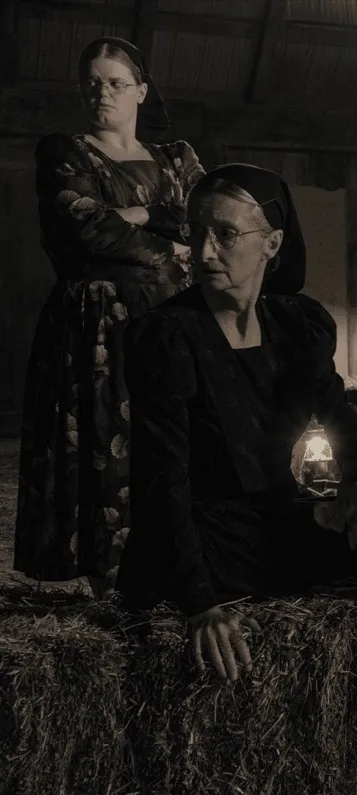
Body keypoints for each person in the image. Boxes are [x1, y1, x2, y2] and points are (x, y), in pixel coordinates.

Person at [116, 164, 357, 682]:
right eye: (196, 232)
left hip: (273, 520)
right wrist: (200, 604)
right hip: (197, 534)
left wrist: (350, 485)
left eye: (226, 234)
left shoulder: (297, 324)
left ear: (272, 243)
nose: (204, 252)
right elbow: (163, 479)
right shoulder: (168, 338)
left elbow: (336, 410)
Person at [14, 36, 204, 599]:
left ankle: (180, 567)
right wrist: (163, 231)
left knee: (170, 438)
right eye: (92, 82)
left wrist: (134, 214)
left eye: (116, 82)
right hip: (94, 324)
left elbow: (204, 219)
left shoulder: (178, 157)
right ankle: (108, 581)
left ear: (141, 90)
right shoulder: (64, 152)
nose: (103, 92)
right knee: (103, 441)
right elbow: (82, 231)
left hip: (172, 314)